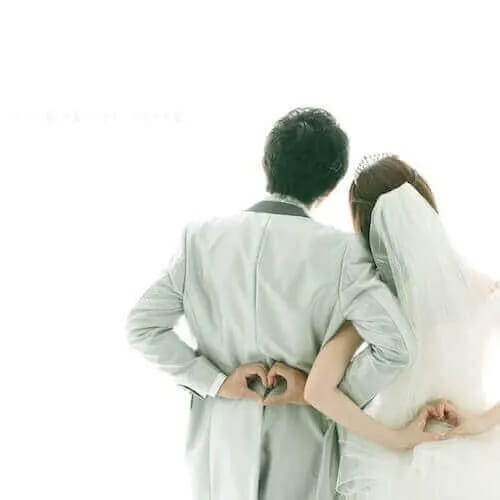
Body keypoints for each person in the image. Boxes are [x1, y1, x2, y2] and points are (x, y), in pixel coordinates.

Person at [125, 109, 416, 500]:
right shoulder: (344, 253)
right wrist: (317, 391)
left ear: (265, 162)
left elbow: (143, 328)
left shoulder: (199, 239)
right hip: (305, 444)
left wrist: (216, 382)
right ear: (330, 186)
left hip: (218, 447)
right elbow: (396, 347)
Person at [305, 155, 500, 499]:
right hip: (475, 459)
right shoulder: (486, 290)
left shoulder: (378, 304)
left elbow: (317, 391)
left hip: (390, 465)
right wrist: (480, 422)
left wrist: (397, 439)